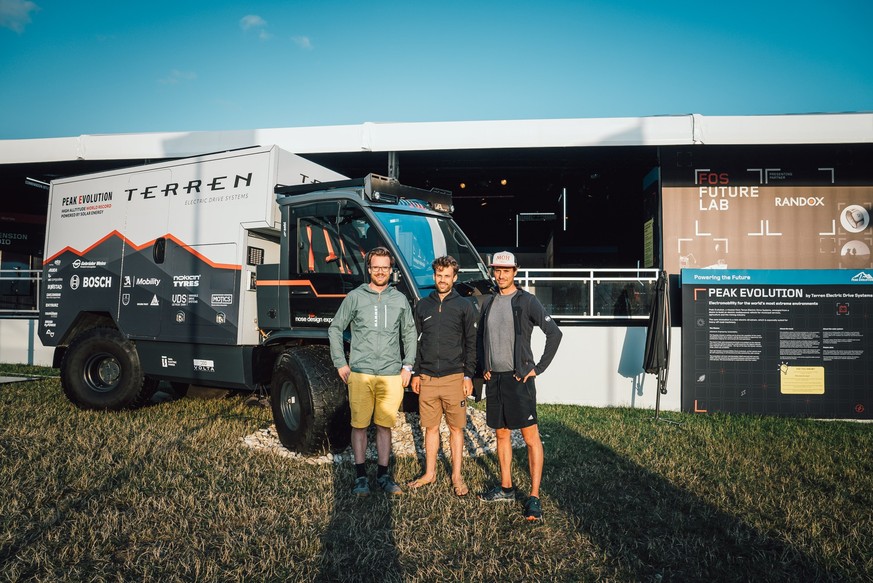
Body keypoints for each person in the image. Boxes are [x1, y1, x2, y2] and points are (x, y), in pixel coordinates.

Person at [477, 250, 562, 521]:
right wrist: (484, 367)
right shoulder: (489, 302)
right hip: (496, 380)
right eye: (497, 270)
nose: (501, 275)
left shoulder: (527, 301)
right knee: (501, 435)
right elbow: (483, 338)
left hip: (519, 379)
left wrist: (538, 368)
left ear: (515, 271)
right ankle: (506, 487)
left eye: (506, 270)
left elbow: (554, 333)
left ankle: (534, 496)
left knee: (529, 438)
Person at [328, 246, 417, 497]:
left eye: (384, 267)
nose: (380, 271)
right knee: (359, 425)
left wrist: (407, 366)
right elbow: (335, 328)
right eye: (375, 267)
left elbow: (409, 333)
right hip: (361, 373)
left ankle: (383, 475)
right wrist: (340, 362)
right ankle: (360, 478)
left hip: (391, 374)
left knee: (384, 426)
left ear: (391, 270)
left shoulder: (399, 299)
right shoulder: (356, 297)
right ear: (369, 269)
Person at [407, 255, 477, 497]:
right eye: (439, 275)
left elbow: (471, 344)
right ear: (434, 275)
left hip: (454, 378)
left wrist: (468, 376)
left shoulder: (464, 306)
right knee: (431, 428)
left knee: (456, 429)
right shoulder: (422, 305)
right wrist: (415, 372)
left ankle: (457, 476)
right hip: (426, 378)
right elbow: (415, 342)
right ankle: (429, 473)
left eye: (447, 276)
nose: (443, 280)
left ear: (455, 278)